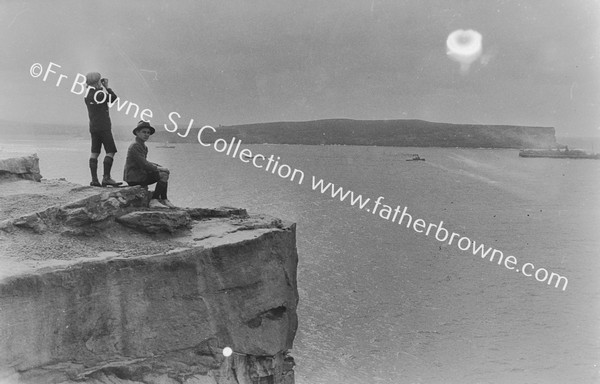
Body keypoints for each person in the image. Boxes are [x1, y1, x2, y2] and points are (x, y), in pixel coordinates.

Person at [124, 121, 176, 209]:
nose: (146, 134)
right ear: (137, 132)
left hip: (139, 174)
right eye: (144, 132)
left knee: (164, 172)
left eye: (148, 133)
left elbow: (145, 162)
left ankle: (164, 199)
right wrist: (160, 168)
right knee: (163, 175)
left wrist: (159, 166)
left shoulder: (143, 146)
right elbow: (144, 164)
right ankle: (154, 200)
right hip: (133, 177)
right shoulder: (135, 146)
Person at [84, 72, 122, 187]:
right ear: (97, 82)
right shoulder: (99, 94)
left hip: (93, 127)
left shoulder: (87, 95)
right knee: (110, 151)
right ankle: (106, 178)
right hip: (104, 127)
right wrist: (107, 87)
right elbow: (114, 99)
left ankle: (94, 180)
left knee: (95, 152)